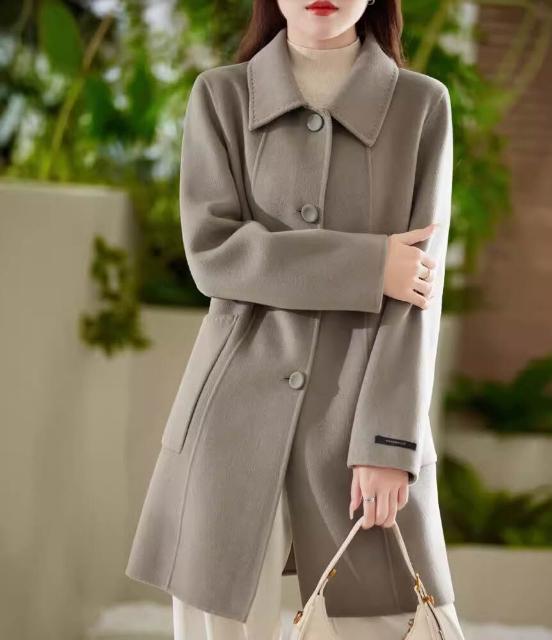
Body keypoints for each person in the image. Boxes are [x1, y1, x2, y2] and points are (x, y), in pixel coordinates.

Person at [126, 1, 466, 638]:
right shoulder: (222, 97)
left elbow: (420, 292)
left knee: (397, 620)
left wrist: (389, 444)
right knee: (218, 622)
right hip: (230, 420)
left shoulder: (422, 106)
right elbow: (214, 255)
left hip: (360, 416)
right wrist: (370, 266)